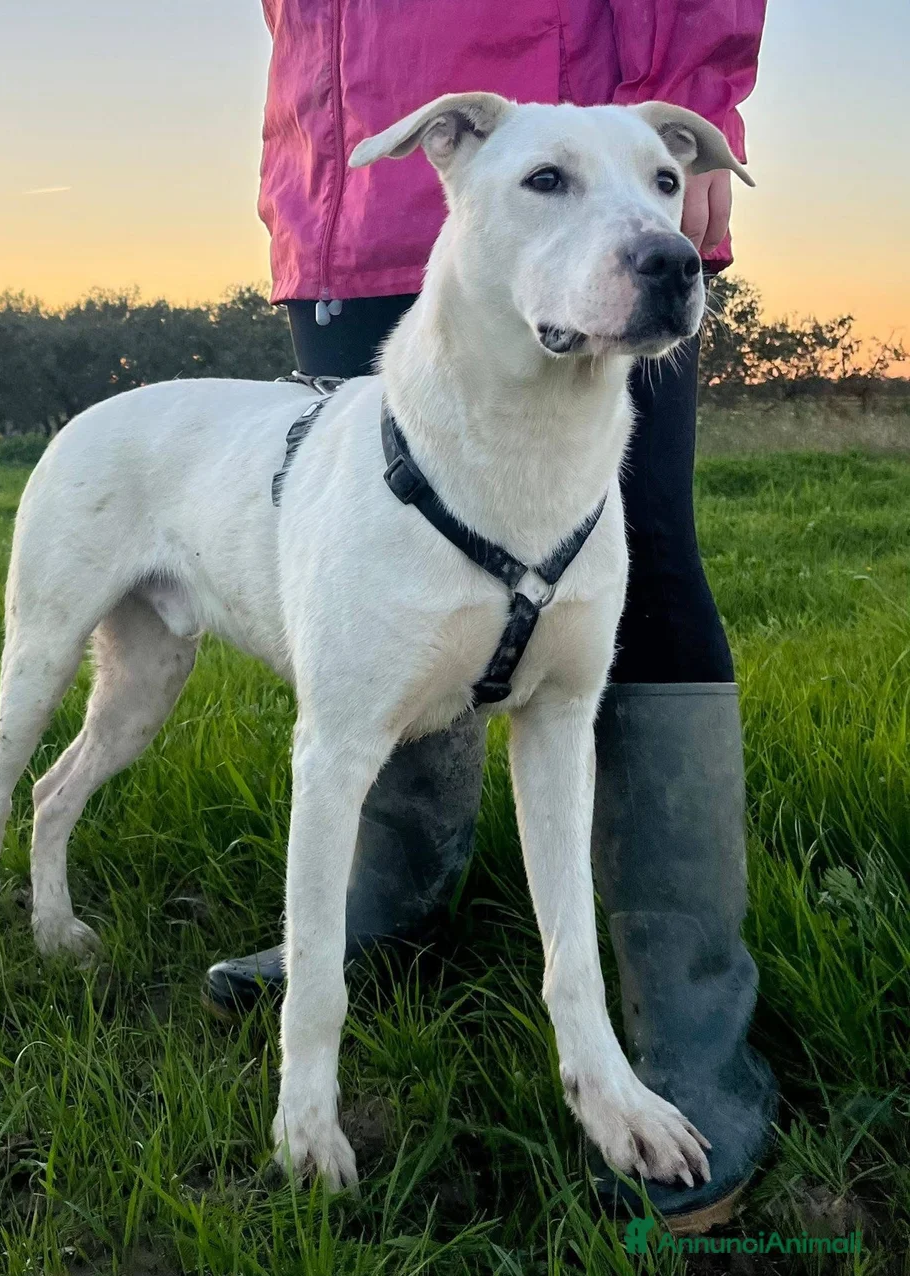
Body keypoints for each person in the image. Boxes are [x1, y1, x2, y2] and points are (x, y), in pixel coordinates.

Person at [206, 0, 777, 1230]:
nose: (660, 225)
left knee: (648, 578)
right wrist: (315, 146)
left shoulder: (636, 216)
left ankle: (671, 1018)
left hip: (551, 73)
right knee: (388, 620)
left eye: (667, 187)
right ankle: (383, 917)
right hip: (339, 179)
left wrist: (697, 97)